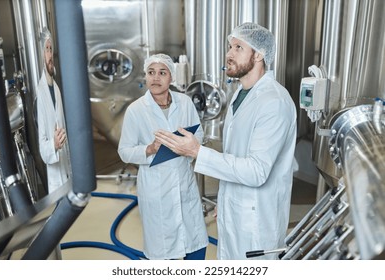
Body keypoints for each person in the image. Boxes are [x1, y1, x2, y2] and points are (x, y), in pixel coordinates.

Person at [155, 22, 297, 260]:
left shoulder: (274, 102)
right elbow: (233, 155)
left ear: (259, 55)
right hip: (235, 208)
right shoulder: (239, 95)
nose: (229, 54)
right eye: (230, 47)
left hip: (256, 218)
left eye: (238, 47)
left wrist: (198, 152)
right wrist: (224, 199)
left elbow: (256, 171)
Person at [117, 53, 209, 260]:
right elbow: (124, 151)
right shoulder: (136, 110)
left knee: (194, 243)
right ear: (146, 77)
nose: (156, 78)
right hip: (156, 187)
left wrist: (187, 146)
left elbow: (199, 134)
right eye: (151, 73)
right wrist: (149, 149)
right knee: (162, 252)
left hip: (184, 182)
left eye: (162, 73)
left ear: (172, 78)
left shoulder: (185, 103)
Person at [36, 27, 71, 194]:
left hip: (67, 169)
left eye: (51, 49)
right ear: (40, 54)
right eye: (47, 49)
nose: (50, 55)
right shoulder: (39, 93)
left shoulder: (56, 88)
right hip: (55, 177)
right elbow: (42, 146)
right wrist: (54, 145)